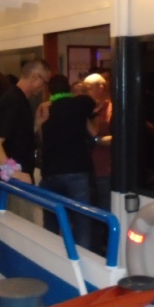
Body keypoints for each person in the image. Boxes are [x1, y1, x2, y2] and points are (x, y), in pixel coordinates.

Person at [0, 59, 51, 221]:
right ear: (35, 77)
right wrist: (14, 173)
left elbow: (18, 138)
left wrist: (37, 123)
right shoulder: (12, 100)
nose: (43, 87)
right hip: (12, 185)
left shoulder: (20, 100)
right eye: (44, 82)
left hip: (16, 182)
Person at [39, 74, 97, 249]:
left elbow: (39, 137)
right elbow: (91, 102)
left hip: (50, 172)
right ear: (69, 88)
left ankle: (50, 256)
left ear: (49, 91)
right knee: (82, 221)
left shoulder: (45, 109)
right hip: (77, 170)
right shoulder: (80, 104)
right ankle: (81, 259)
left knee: (51, 221)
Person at [83, 72, 113, 212]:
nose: (85, 93)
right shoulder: (85, 108)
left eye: (88, 89)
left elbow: (116, 138)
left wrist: (96, 139)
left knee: (104, 208)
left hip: (103, 168)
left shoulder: (111, 109)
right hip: (85, 169)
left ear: (101, 88)